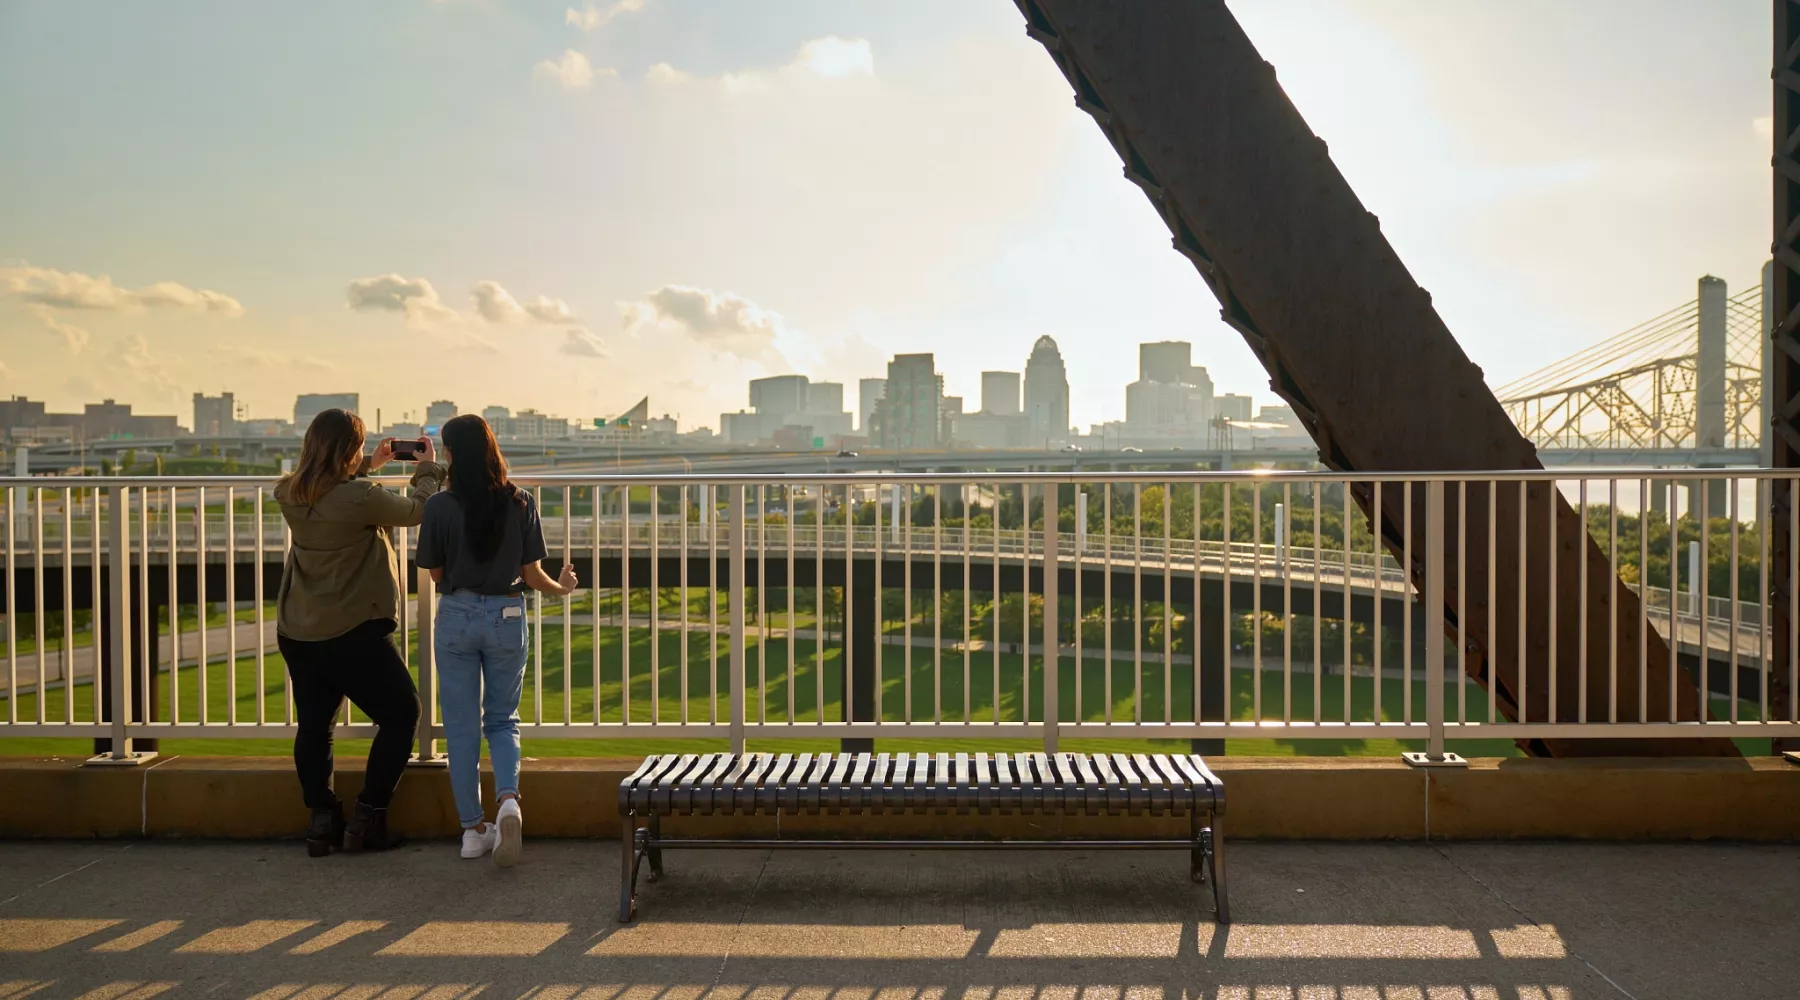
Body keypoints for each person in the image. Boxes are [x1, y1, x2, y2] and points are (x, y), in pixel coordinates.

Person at [274, 409, 446, 857]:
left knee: (315, 726)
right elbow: (419, 510)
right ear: (349, 450)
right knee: (402, 714)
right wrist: (428, 468)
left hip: (299, 629)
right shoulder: (360, 498)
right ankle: (367, 817)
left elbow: (333, 493)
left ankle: (322, 821)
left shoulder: (289, 490)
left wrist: (368, 465)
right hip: (351, 628)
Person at [416, 414, 577, 867]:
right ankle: (509, 801)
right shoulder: (521, 502)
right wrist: (563, 587)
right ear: (492, 449)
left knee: (462, 728)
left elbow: (436, 573)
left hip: (457, 614)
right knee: (503, 720)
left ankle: (472, 830)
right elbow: (531, 575)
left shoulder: (439, 508)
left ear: (449, 455)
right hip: (507, 613)